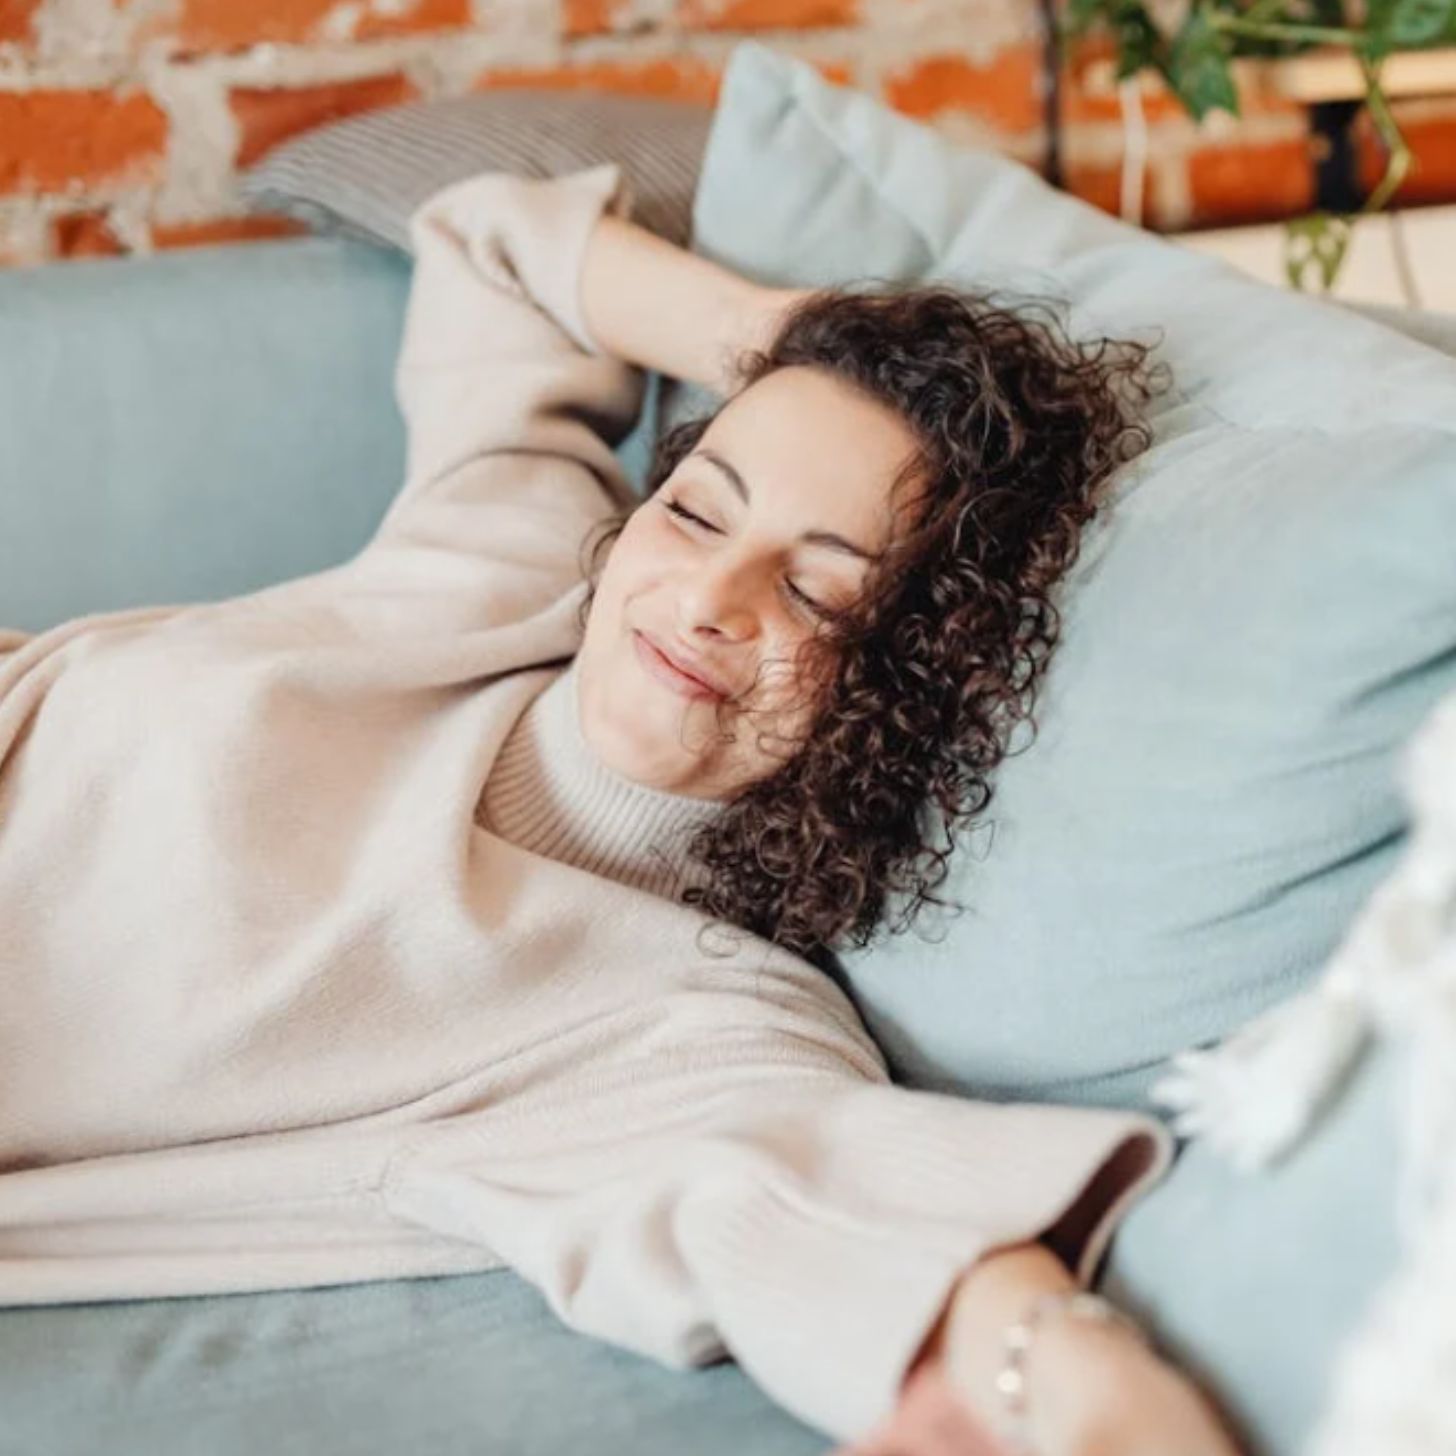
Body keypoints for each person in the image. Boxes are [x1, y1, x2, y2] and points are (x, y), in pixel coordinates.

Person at [0, 162, 1237, 1456]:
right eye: (699, 508)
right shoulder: (515, 561)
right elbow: (489, 246)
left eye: (817, 596)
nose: (711, 597)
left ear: (911, 686)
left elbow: (851, 1196)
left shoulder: (677, 1016)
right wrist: (812, 354)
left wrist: (1072, 1379)